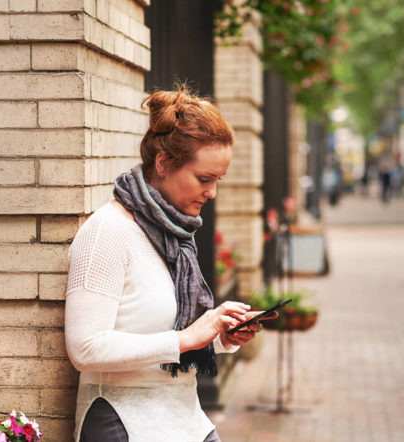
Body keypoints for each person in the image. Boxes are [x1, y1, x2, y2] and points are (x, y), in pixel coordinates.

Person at [64, 87, 268, 442]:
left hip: (185, 416)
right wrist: (186, 337)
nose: (212, 192)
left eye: (218, 179)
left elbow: (171, 339)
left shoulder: (174, 235)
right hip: (123, 419)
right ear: (163, 164)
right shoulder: (107, 232)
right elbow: (84, 347)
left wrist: (220, 337)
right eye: (204, 178)